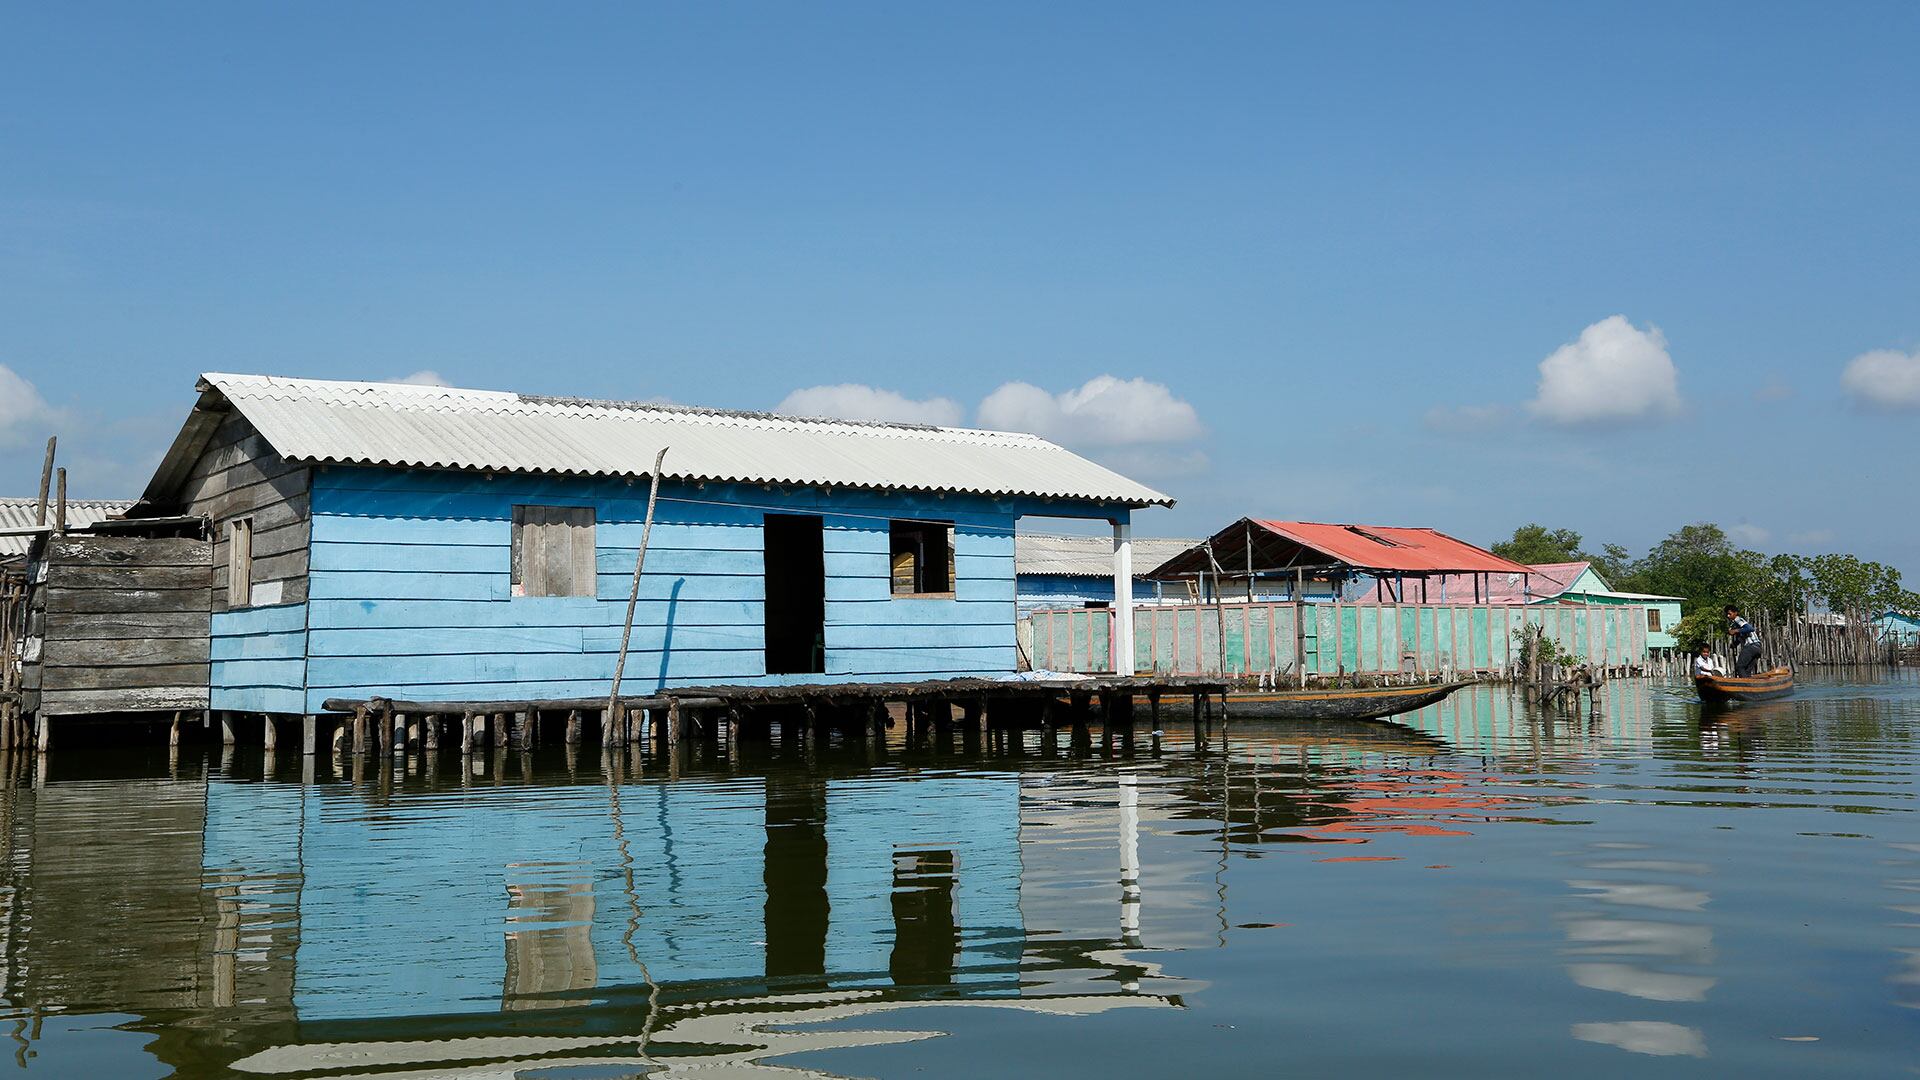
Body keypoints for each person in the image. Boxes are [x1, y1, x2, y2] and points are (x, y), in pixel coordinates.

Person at [1726, 605, 1763, 677]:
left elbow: (1750, 628)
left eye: (1730, 614)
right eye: (1727, 614)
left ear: (1735, 613)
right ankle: (1751, 687)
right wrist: (1734, 644)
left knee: (1740, 667)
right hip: (1757, 647)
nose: (1728, 616)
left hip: (1751, 646)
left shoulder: (1738, 619)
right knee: (1746, 671)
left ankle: (1745, 686)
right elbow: (1741, 637)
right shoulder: (1735, 624)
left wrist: (1735, 631)